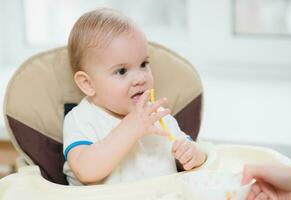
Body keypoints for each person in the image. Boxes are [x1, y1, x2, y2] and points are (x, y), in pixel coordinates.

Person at [63, 8, 206, 186]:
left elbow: (193, 150)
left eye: (143, 64)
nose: (140, 78)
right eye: (121, 71)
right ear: (88, 84)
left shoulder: (157, 114)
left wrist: (193, 154)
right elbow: (85, 170)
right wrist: (130, 128)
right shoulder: (81, 119)